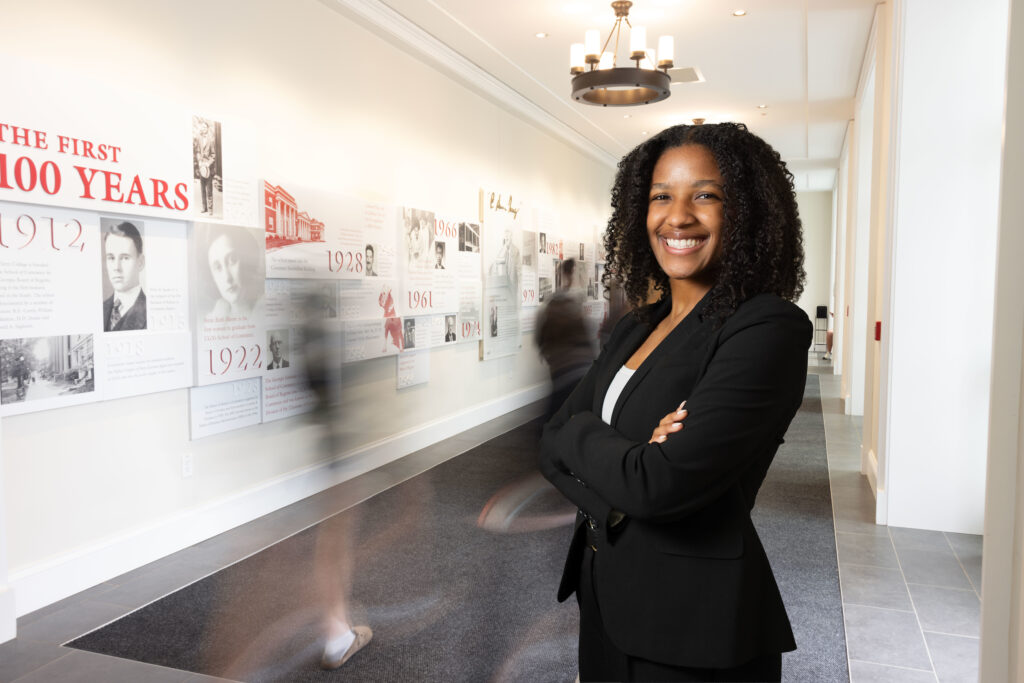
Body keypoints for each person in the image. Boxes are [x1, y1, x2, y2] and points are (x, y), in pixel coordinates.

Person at [539, 122, 811, 682]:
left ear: (747, 213)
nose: (678, 216)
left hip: (694, 623)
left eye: (705, 195)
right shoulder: (637, 325)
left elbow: (660, 485)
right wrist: (627, 465)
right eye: (662, 196)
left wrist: (586, 435)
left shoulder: (766, 329)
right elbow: (550, 443)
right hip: (606, 591)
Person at [535, 258, 596, 423]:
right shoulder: (574, 304)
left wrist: (546, 352)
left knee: (558, 406)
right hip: (578, 366)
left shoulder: (553, 303)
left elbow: (541, 336)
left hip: (562, 366)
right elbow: (586, 334)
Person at [205, 227, 262, 318]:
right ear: (213, 277)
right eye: (218, 267)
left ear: (246, 261)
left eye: (232, 260)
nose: (227, 278)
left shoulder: (264, 309)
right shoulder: (216, 317)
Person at [102, 221, 147, 332]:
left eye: (125, 258)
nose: (116, 267)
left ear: (140, 262)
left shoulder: (150, 311)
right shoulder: (100, 309)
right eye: (111, 258)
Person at [195, 119, 217, 215]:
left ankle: (210, 209)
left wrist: (208, 163)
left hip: (208, 168)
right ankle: (204, 207)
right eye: (202, 127)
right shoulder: (199, 138)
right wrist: (199, 160)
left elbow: (213, 155)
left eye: (204, 127)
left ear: (207, 129)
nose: (202, 128)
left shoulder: (211, 140)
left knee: (209, 189)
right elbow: (198, 151)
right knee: (202, 188)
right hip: (201, 167)